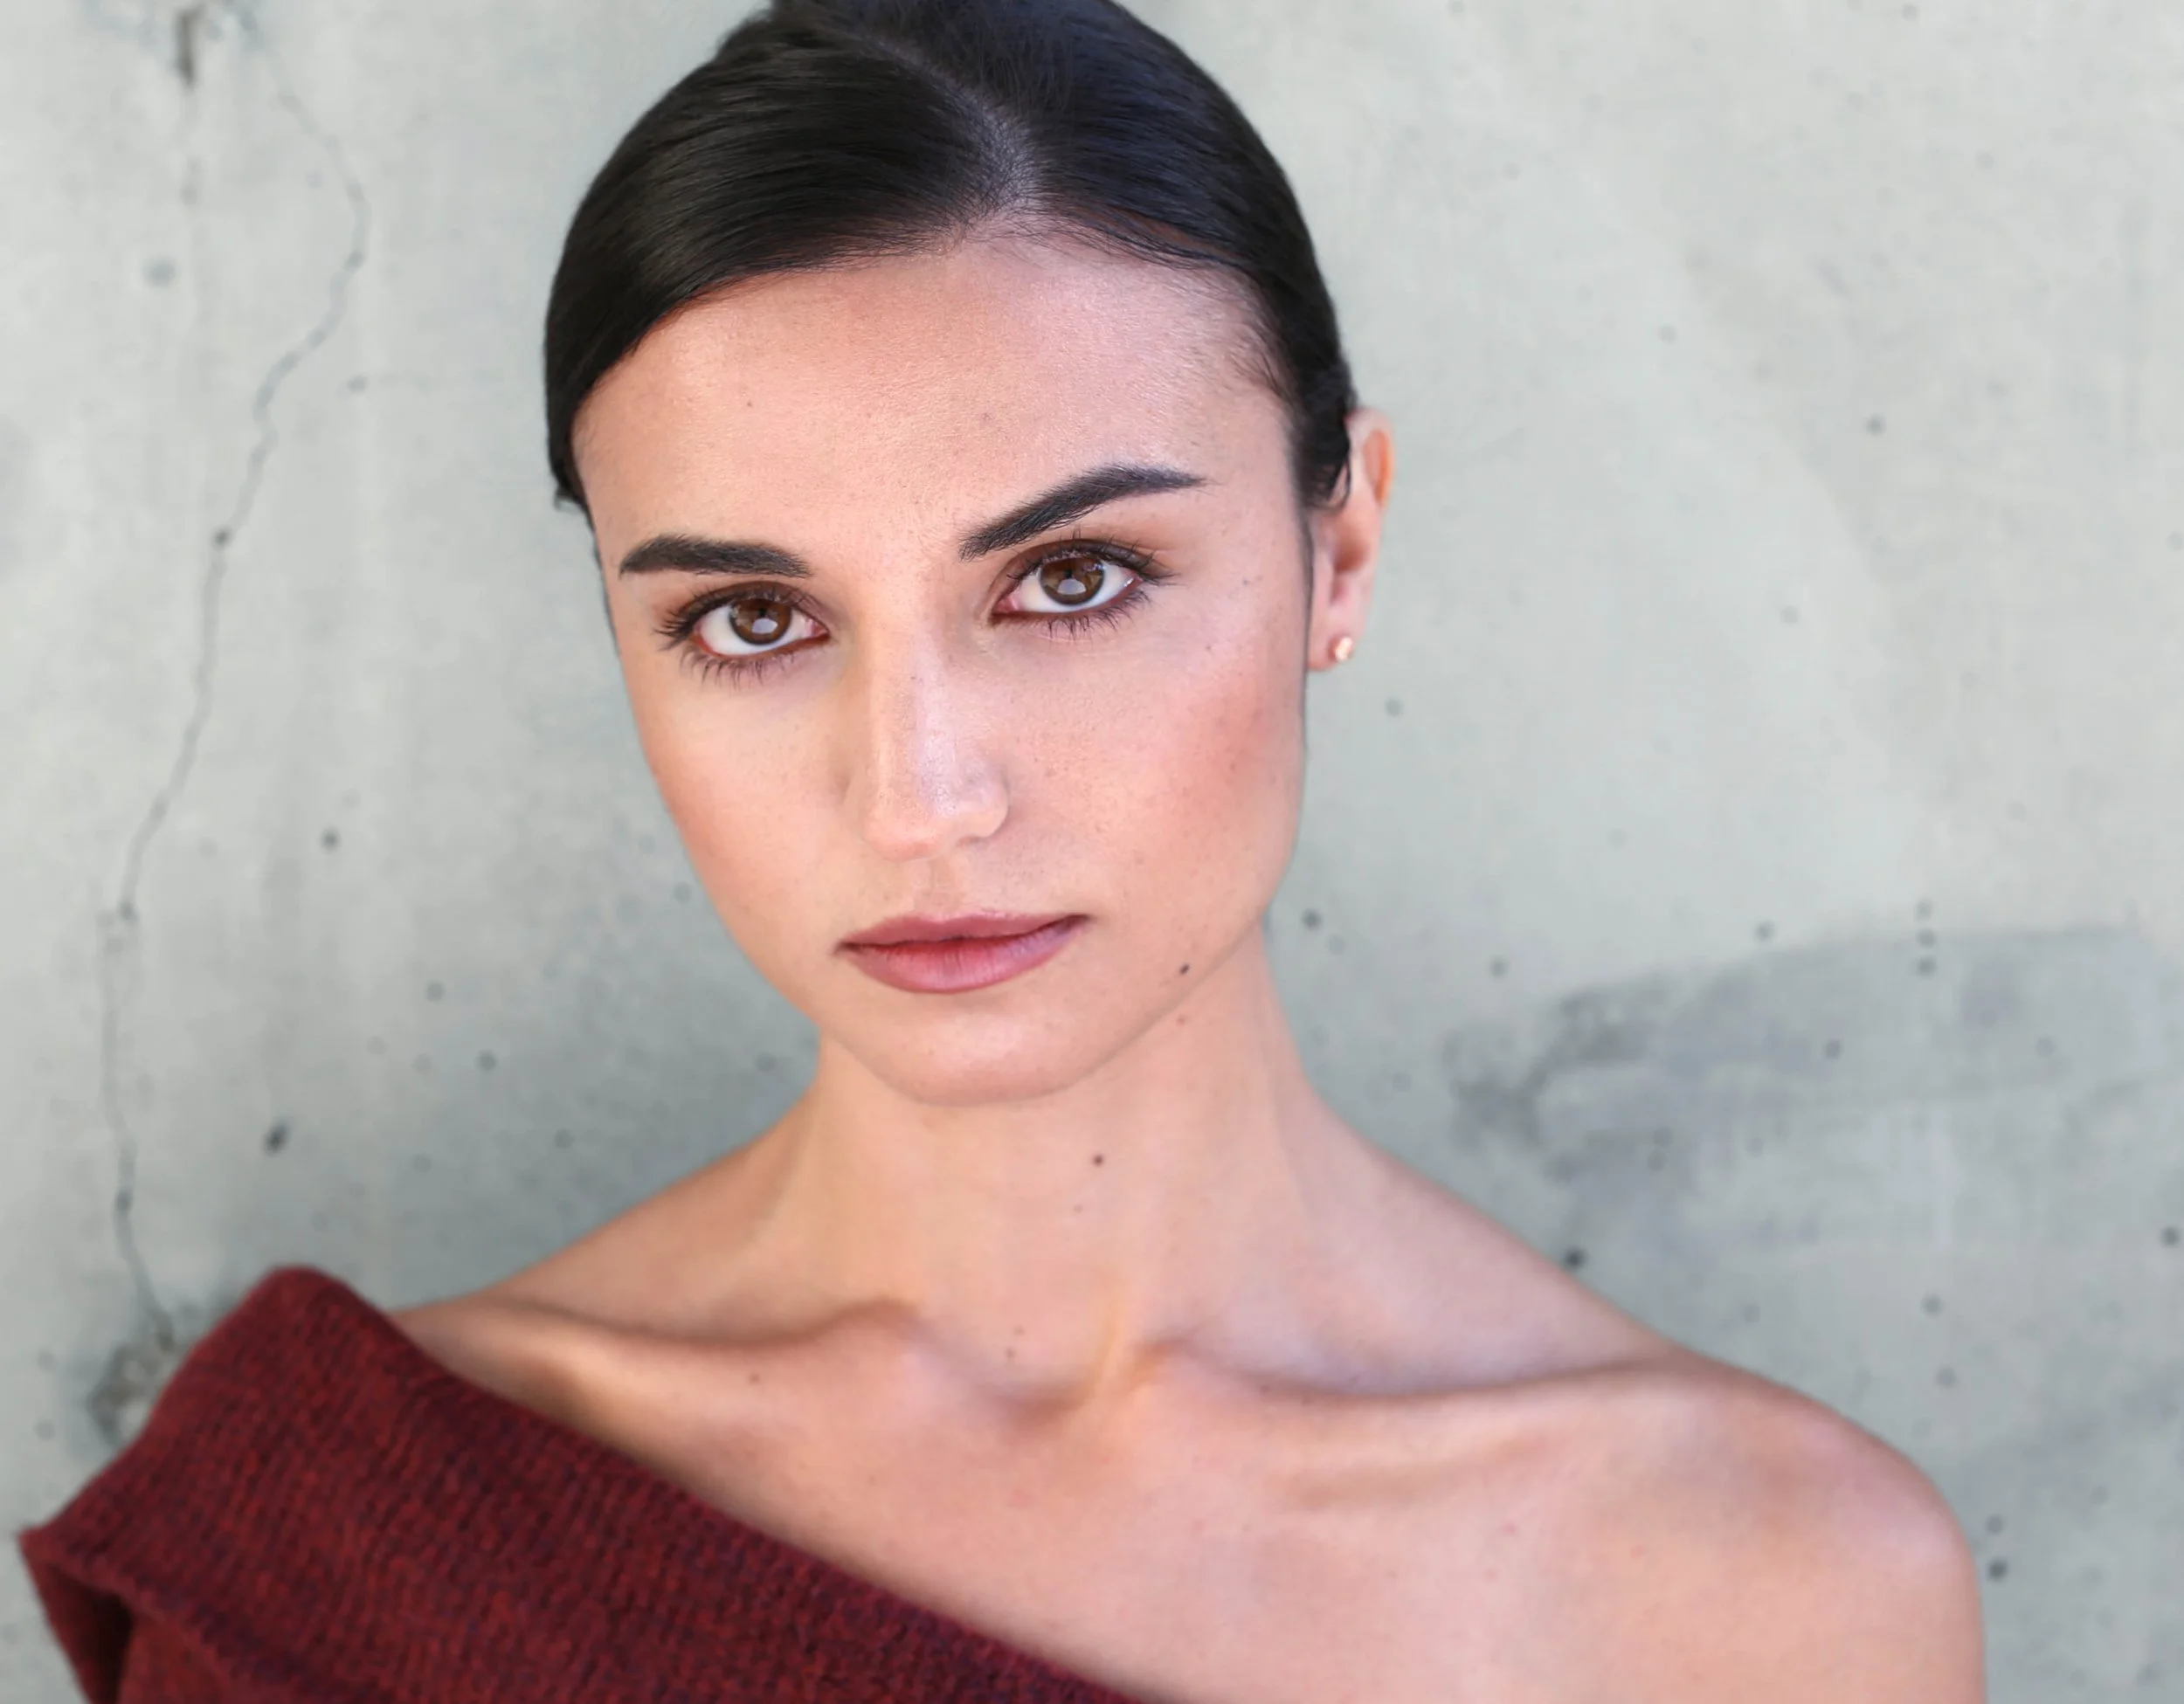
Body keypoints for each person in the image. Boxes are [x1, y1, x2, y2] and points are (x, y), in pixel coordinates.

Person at [20, 2, 1985, 1699]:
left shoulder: (1759, 1597)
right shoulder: (356, 1548)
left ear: (1340, 546)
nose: (917, 795)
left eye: (1070, 579)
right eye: (753, 621)